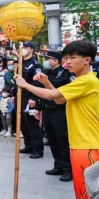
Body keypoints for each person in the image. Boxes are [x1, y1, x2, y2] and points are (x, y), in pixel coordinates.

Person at [15, 41, 99, 199]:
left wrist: (26, 85)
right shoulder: (82, 80)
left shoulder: (86, 81)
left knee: (87, 193)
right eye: (66, 57)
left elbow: (52, 96)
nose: (68, 61)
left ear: (87, 60)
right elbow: (60, 100)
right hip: (83, 143)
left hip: (87, 145)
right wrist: (46, 82)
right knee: (86, 191)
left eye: (73, 57)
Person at [39, 51, 73, 182]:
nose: (46, 61)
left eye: (48, 58)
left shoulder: (66, 74)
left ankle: (68, 170)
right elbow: (42, 91)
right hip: (46, 110)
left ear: (57, 60)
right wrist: (38, 107)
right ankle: (58, 165)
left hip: (59, 111)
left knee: (62, 141)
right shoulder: (46, 73)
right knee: (52, 139)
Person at [13, 42, 44, 159]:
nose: (23, 50)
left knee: (32, 124)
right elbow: (16, 79)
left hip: (29, 97)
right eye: (22, 47)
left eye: (25, 48)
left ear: (31, 49)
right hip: (19, 96)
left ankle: (38, 149)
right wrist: (13, 94)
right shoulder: (20, 63)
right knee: (22, 123)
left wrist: (33, 98)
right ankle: (28, 145)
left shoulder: (35, 64)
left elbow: (37, 82)